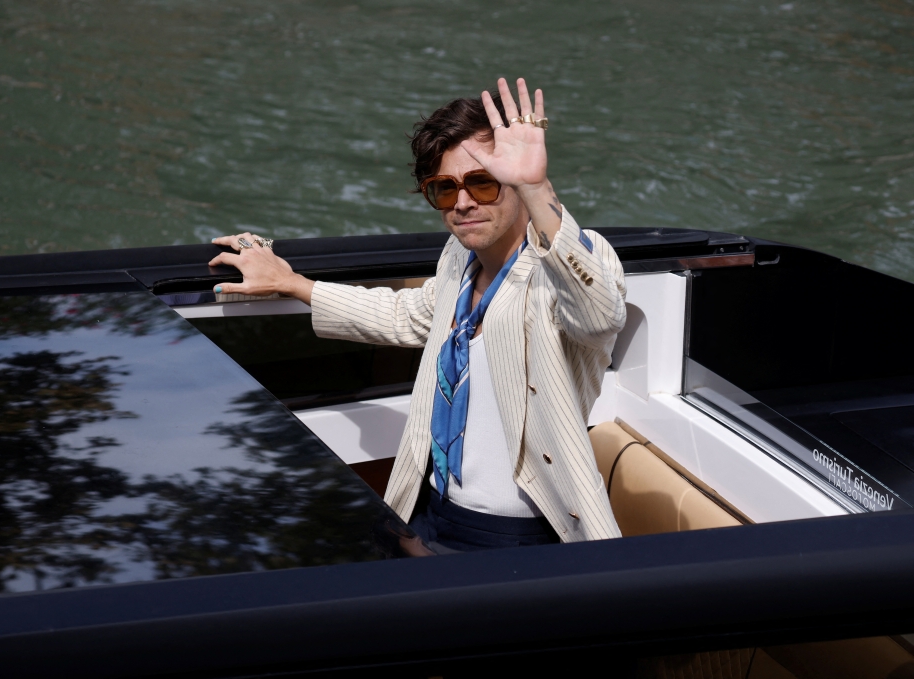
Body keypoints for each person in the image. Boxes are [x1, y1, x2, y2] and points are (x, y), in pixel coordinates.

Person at [209, 77, 626, 551]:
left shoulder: (573, 259)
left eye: (482, 182)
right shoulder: (459, 257)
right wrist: (292, 283)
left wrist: (537, 188)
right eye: (444, 190)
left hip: (520, 535)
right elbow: (409, 314)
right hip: (428, 509)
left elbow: (599, 317)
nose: (463, 202)